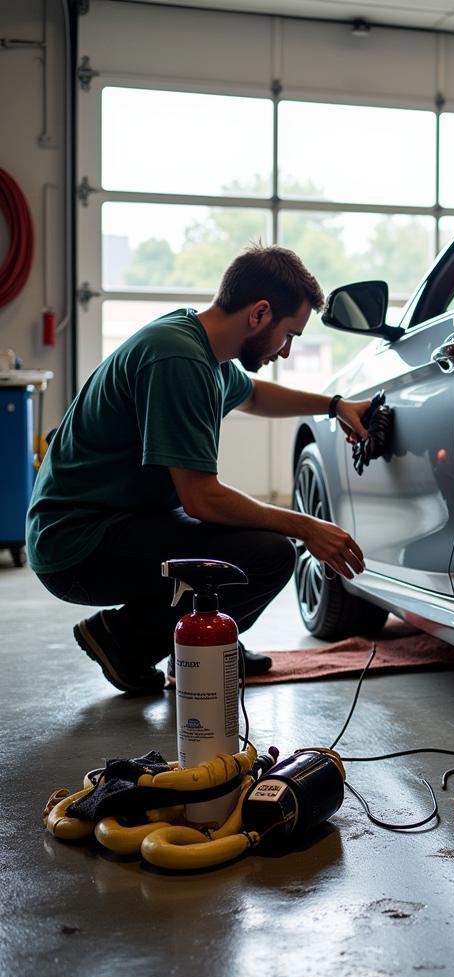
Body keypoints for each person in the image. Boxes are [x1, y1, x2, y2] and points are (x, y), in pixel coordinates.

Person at [26, 243, 368, 695]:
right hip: (76, 544)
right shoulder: (178, 358)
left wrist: (335, 405)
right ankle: (124, 641)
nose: (286, 352)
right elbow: (202, 499)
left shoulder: (202, 347)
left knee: (247, 544)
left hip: (114, 523)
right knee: (269, 554)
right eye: (290, 335)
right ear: (259, 313)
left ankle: (198, 643)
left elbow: (253, 395)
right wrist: (307, 527)